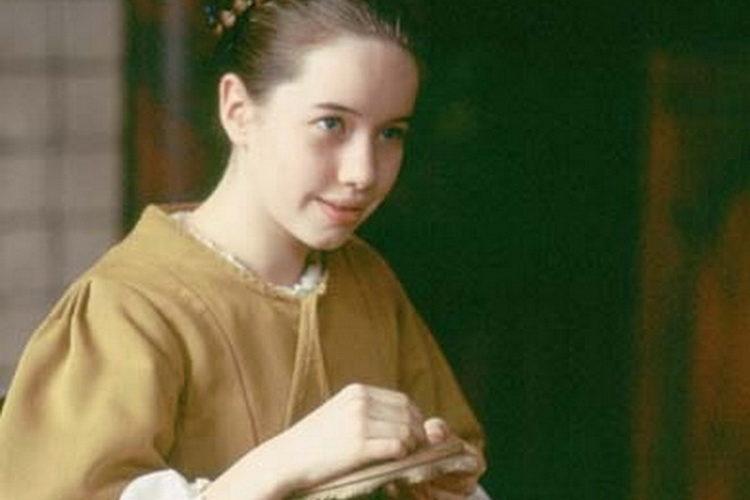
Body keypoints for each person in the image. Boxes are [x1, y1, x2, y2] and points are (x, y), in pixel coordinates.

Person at [0, 0, 486, 498]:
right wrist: (287, 460)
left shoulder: (369, 283)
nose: (363, 172)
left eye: (390, 133)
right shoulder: (127, 308)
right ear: (238, 110)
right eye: (331, 124)